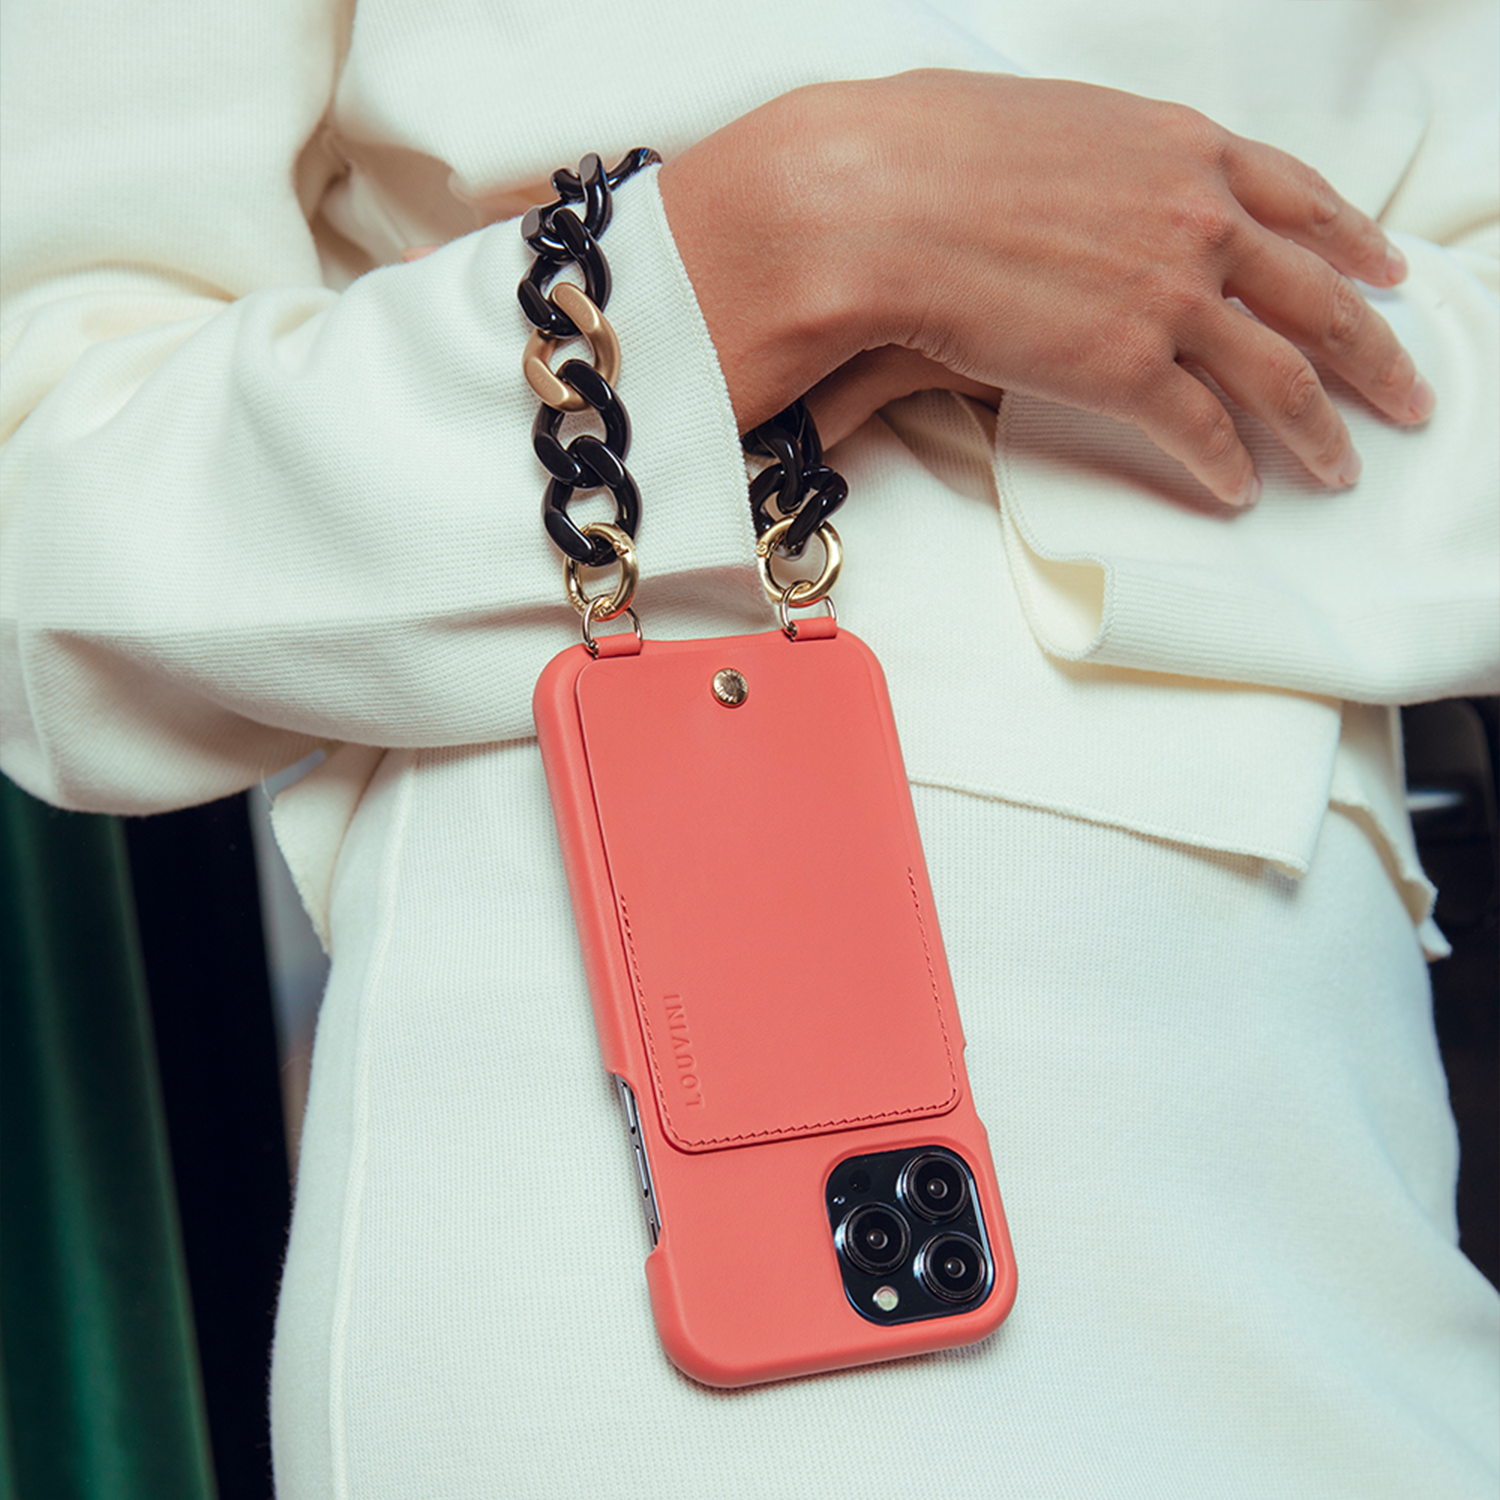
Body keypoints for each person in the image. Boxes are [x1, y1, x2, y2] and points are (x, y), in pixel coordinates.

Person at [2, 1, 1496, 1495]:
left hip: (1330, 1107)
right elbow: (47, 545)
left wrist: (1081, 318)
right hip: (618, 1023)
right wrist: (775, 257)